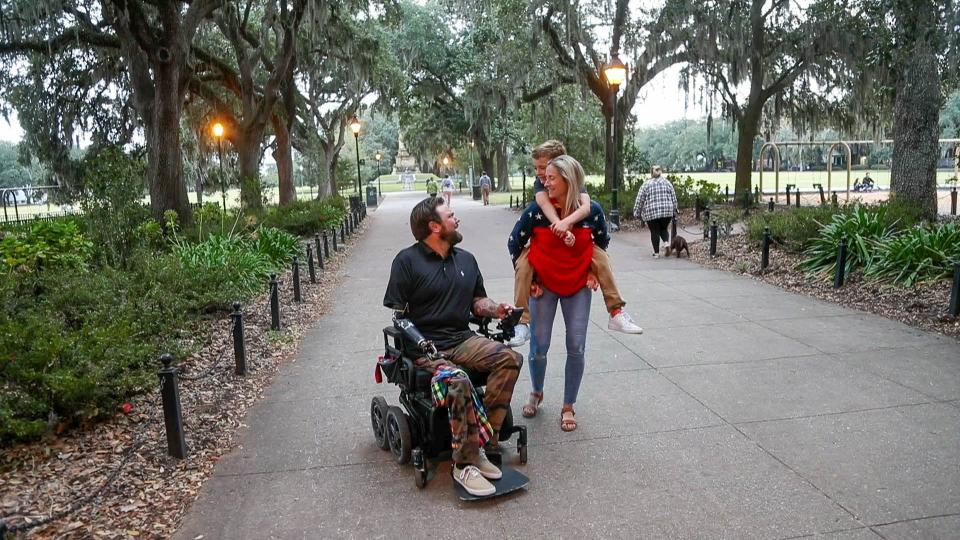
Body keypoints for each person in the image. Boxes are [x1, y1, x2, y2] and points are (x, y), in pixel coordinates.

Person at [384, 197, 523, 497]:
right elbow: (398, 315)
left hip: (462, 339)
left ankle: (484, 443)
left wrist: (496, 309)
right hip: (425, 350)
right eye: (451, 216)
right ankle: (464, 465)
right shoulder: (406, 261)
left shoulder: (466, 260)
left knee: (510, 359)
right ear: (434, 226)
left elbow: (477, 302)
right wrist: (421, 343)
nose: (456, 219)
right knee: (456, 380)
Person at [509, 140, 642, 348]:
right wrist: (531, 280)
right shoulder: (536, 206)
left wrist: (592, 270)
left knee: (601, 257)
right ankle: (522, 321)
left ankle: (616, 311)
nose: (540, 175)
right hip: (544, 271)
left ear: (562, 167)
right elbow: (519, 235)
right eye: (537, 169)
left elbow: (591, 216)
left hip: (576, 271)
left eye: (544, 169)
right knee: (523, 264)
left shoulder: (583, 194)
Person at [508, 155, 603, 432]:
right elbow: (515, 243)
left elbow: (603, 242)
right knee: (538, 347)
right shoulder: (534, 212)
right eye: (544, 177)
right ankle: (536, 392)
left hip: (577, 286)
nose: (544, 182)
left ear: (568, 180)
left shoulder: (591, 211)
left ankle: (568, 405)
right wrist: (530, 279)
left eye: (551, 178)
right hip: (545, 286)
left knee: (577, 346)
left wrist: (594, 271)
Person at [632, 165, 678, 258]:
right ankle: (666, 244)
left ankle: (656, 253)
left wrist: (636, 212)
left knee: (654, 231)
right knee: (663, 228)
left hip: (651, 212)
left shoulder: (646, 184)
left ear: (651, 173)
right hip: (667, 211)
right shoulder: (667, 183)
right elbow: (673, 197)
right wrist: (675, 209)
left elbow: (640, 199)